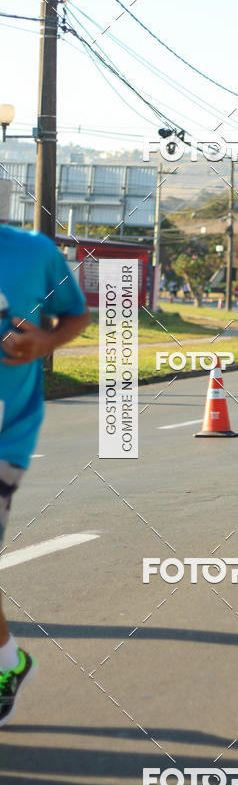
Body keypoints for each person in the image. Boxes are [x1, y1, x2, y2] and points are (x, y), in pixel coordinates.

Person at [0, 225, 89, 726]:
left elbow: (76, 314)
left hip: (4, 430)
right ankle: (7, 662)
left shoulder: (35, 253)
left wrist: (45, 343)